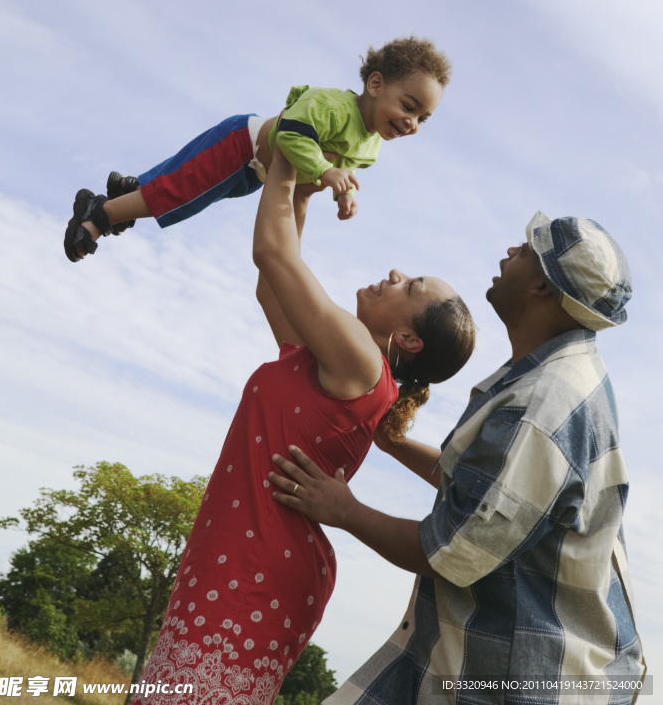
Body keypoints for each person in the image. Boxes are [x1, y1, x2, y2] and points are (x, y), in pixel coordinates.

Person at [129, 146, 476, 705]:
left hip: (257, 566)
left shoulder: (362, 361)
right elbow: (272, 283)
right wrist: (305, 194)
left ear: (408, 340)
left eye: (410, 287)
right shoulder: (329, 361)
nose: (396, 273)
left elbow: (273, 252)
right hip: (234, 555)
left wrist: (290, 153)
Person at [269, 212, 645, 704]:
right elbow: (487, 495)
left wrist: (344, 510)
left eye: (526, 251)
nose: (511, 253)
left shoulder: (541, 406)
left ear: (541, 288)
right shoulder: (549, 378)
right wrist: (396, 445)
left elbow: (452, 550)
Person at [64, 35, 450, 261]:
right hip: (241, 145)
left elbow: (319, 178)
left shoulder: (371, 149)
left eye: (423, 119)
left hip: (255, 173)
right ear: (376, 84)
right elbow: (292, 135)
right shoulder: (332, 107)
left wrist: (341, 192)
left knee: (184, 183)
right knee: (185, 193)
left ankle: (131, 192)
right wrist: (327, 172)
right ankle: (100, 214)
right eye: (408, 106)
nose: (412, 123)